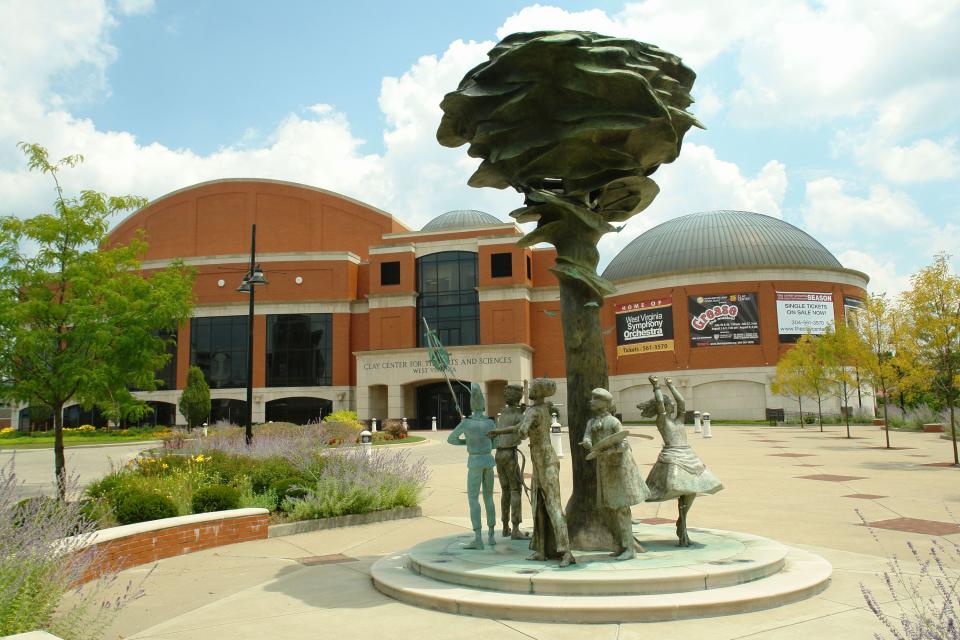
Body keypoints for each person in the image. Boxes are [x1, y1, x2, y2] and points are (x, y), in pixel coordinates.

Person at [639, 376, 723, 547]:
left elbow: (682, 402)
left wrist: (670, 385)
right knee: (680, 488)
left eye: (670, 404)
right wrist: (656, 387)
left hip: (689, 456)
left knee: (692, 491)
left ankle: (681, 522)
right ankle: (682, 525)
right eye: (667, 404)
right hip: (673, 458)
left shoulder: (679, 420)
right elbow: (661, 406)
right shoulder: (662, 419)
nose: (671, 406)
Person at [500, 378, 575, 567]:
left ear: (540, 391)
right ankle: (540, 550)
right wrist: (499, 432)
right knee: (538, 506)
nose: (529, 390)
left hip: (546, 462)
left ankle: (567, 552)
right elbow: (524, 425)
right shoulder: (543, 408)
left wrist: (515, 426)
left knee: (553, 507)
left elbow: (523, 432)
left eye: (533, 388)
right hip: (540, 461)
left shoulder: (533, 411)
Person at [580, 388, 648, 560]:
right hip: (604, 469)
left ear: (604, 403)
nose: (591, 401)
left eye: (596, 399)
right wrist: (588, 444)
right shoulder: (591, 422)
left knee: (622, 508)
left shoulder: (614, 422)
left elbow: (624, 444)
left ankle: (630, 549)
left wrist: (609, 450)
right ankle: (621, 544)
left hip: (619, 469)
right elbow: (587, 437)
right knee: (611, 508)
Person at [447, 383, 497, 549]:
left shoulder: (466, 423)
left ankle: (478, 538)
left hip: (475, 461)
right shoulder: (490, 423)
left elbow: (451, 439)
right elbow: (496, 442)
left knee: (473, 498)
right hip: (488, 460)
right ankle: (491, 535)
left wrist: (466, 442)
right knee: (489, 497)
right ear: (483, 405)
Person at [493, 384, 529, 539]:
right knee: (515, 490)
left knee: (505, 490)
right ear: (519, 396)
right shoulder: (519, 414)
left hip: (499, 455)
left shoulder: (504, 412)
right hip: (510, 454)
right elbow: (522, 432)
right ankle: (515, 528)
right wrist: (524, 414)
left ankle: (505, 526)